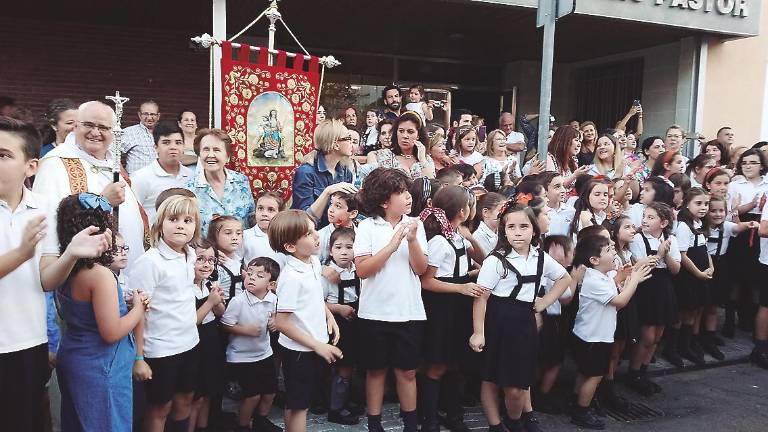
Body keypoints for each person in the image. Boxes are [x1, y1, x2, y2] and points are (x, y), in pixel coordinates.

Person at [0, 117, 112, 432]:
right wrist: (20, 254)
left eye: (3, 155)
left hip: (28, 343)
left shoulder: (44, 207)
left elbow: (47, 279)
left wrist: (72, 252)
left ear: (31, 167)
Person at [469, 203, 571, 432]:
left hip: (524, 322)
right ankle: (496, 425)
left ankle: (516, 420)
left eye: (524, 226)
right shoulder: (496, 260)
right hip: (497, 321)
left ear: (534, 230)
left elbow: (564, 278)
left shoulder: (540, 257)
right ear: (503, 231)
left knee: (518, 381)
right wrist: (478, 332)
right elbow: (481, 298)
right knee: (492, 377)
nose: (517, 231)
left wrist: (544, 302)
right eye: (511, 226)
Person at [54, 193, 149, 432]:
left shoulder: (64, 266)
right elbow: (111, 332)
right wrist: (138, 308)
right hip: (101, 365)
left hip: (74, 355)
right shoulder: (99, 275)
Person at [354, 168, 428, 432]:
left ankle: (411, 424)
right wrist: (392, 244)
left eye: (408, 192)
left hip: (409, 311)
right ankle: (374, 424)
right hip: (374, 312)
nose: (408, 197)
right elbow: (362, 270)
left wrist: (412, 241)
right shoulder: (366, 226)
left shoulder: (415, 224)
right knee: (376, 371)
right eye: (401, 193)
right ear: (385, 201)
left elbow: (421, 269)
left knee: (407, 372)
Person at [33, 101, 147, 269]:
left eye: (103, 127)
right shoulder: (55, 163)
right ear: (76, 126)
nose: (95, 132)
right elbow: (49, 221)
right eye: (88, 125)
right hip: (81, 271)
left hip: (127, 266)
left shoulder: (114, 164)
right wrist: (103, 201)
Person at [131, 195, 201, 432]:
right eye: (174, 219)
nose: (181, 225)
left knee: (185, 400)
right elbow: (138, 311)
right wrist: (139, 357)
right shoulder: (149, 262)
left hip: (190, 343)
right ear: (160, 224)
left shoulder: (189, 255)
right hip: (160, 350)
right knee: (159, 408)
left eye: (188, 220)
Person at [419, 186, 485, 432]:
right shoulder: (438, 240)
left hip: (459, 303)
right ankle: (430, 419)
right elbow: (427, 281)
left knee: (456, 362)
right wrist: (461, 288)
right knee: (437, 364)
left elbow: (480, 258)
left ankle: (454, 414)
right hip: (443, 307)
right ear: (462, 210)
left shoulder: (457, 236)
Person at [269, 210, 342, 432]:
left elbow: (314, 298)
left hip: (312, 346)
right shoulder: (291, 277)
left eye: (314, 230)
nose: (317, 236)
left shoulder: (312, 262)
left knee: (299, 403)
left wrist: (328, 316)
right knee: (298, 406)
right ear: (291, 246)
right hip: (300, 351)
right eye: (309, 234)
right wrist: (318, 345)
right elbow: (281, 322)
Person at [570, 235, 650, 430]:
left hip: (591, 335)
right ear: (594, 260)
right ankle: (581, 411)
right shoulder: (594, 280)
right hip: (593, 338)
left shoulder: (603, 276)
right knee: (595, 375)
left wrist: (620, 279)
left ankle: (576, 401)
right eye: (608, 250)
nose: (614, 252)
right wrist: (635, 280)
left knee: (585, 372)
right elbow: (620, 302)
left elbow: (613, 300)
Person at [626, 203, 681, 395]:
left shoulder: (670, 239)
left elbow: (675, 270)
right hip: (647, 287)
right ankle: (633, 372)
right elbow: (642, 265)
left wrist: (665, 256)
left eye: (651, 217)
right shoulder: (638, 239)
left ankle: (643, 370)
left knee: (658, 334)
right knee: (646, 335)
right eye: (645, 216)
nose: (645, 220)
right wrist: (659, 254)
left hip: (664, 287)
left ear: (663, 222)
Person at [221, 257, 280, 432]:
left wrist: (275, 321)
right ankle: (243, 425)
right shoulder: (238, 301)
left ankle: (261, 421)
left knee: (270, 392)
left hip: (265, 352)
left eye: (259, 275)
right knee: (252, 396)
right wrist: (245, 330)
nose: (252, 277)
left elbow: (277, 316)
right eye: (250, 273)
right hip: (242, 357)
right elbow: (225, 325)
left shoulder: (273, 299)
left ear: (271, 285)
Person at [321, 228, 363, 425]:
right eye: (338, 247)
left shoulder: (358, 270)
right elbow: (316, 302)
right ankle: (335, 409)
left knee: (352, 364)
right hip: (336, 324)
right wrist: (338, 308)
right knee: (341, 367)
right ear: (330, 251)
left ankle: (345, 401)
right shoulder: (327, 274)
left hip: (356, 323)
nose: (344, 252)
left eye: (349, 247)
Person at [185, 128, 255, 236]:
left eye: (216, 150)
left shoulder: (241, 182)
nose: (211, 155)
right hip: (206, 251)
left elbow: (251, 219)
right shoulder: (189, 189)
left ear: (227, 156)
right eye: (206, 149)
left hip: (241, 251)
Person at [672, 188, 714, 366]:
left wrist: (711, 267)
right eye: (699, 203)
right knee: (683, 312)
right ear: (687, 204)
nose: (703, 207)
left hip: (701, 275)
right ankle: (673, 348)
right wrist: (698, 273)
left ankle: (685, 345)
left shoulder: (699, 225)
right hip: (689, 277)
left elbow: (705, 249)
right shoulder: (683, 226)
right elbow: (682, 255)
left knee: (694, 311)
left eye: (706, 204)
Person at [188, 240, 226, 432]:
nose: (206, 264)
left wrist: (217, 300)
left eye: (211, 260)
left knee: (209, 390)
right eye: (200, 259)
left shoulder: (209, 283)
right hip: (196, 340)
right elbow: (193, 321)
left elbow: (220, 313)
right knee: (197, 394)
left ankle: (204, 427)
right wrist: (211, 302)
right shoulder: (186, 288)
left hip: (212, 337)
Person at [291, 119, 356, 229]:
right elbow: (304, 220)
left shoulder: (345, 171)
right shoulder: (306, 172)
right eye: (348, 138)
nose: (352, 142)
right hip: (311, 235)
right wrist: (327, 192)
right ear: (335, 144)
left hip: (336, 235)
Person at [130, 121, 194, 223]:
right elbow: (131, 215)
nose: (173, 147)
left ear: (184, 147)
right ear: (156, 147)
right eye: (166, 142)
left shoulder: (192, 176)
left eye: (178, 142)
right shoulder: (140, 178)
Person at [364, 112, 431, 181]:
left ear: (418, 135)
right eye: (401, 131)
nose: (405, 136)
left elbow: (431, 184)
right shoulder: (384, 155)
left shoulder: (426, 159)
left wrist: (422, 159)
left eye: (410, 132)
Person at [243, 191, 287, 268]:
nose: (264, 214)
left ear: (280, 213)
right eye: (260, 208)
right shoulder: (245, 236)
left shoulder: (286, 237)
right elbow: (236, 261)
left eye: (270, 210)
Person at [208, 216, 245, 302]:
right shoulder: (215, 265)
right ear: (214, 236)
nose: (235, 237)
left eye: (238, 233)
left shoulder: (239, 260)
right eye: (228, 233)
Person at [123, 100, 161, 174]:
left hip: (160, 181)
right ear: (139, 115)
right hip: (136, 181)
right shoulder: (128, 133)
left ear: (158, 116)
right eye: (146, 114)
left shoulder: (164, 133)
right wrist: (123, 174)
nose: (149, 118)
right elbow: (112, 154)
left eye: (153, 114)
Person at [473, 192, 507, 257]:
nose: (505, 215)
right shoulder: (478, 237)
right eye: (501, 211)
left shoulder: (502, 232)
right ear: (486, 212)